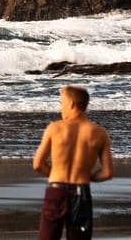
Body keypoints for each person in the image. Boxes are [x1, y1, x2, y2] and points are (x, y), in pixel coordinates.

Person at [31, 86, 113, 240]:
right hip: (81, 193)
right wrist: (86, 176)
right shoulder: (99, 133)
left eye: (61, 103)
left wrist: (55, 175)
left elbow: (37, 164)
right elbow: (107, 173)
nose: (61, 108)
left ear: (71, 104)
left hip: (56, 191)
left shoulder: (55, 128)